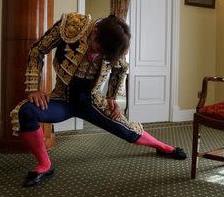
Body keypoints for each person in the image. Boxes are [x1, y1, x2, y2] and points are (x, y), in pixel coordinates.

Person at [10, 12, 187, 187]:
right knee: (26, 112)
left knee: (127, 131)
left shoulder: (115, 44)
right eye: (97, 49)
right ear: (94, 31)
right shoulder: (72, 25)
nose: (97, 55)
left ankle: (164, 147)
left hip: (92, 101)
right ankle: (45, 165)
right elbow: (37, 50)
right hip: (63, 98)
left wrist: (112, 97)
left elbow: (120, 69)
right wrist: (34, 88)